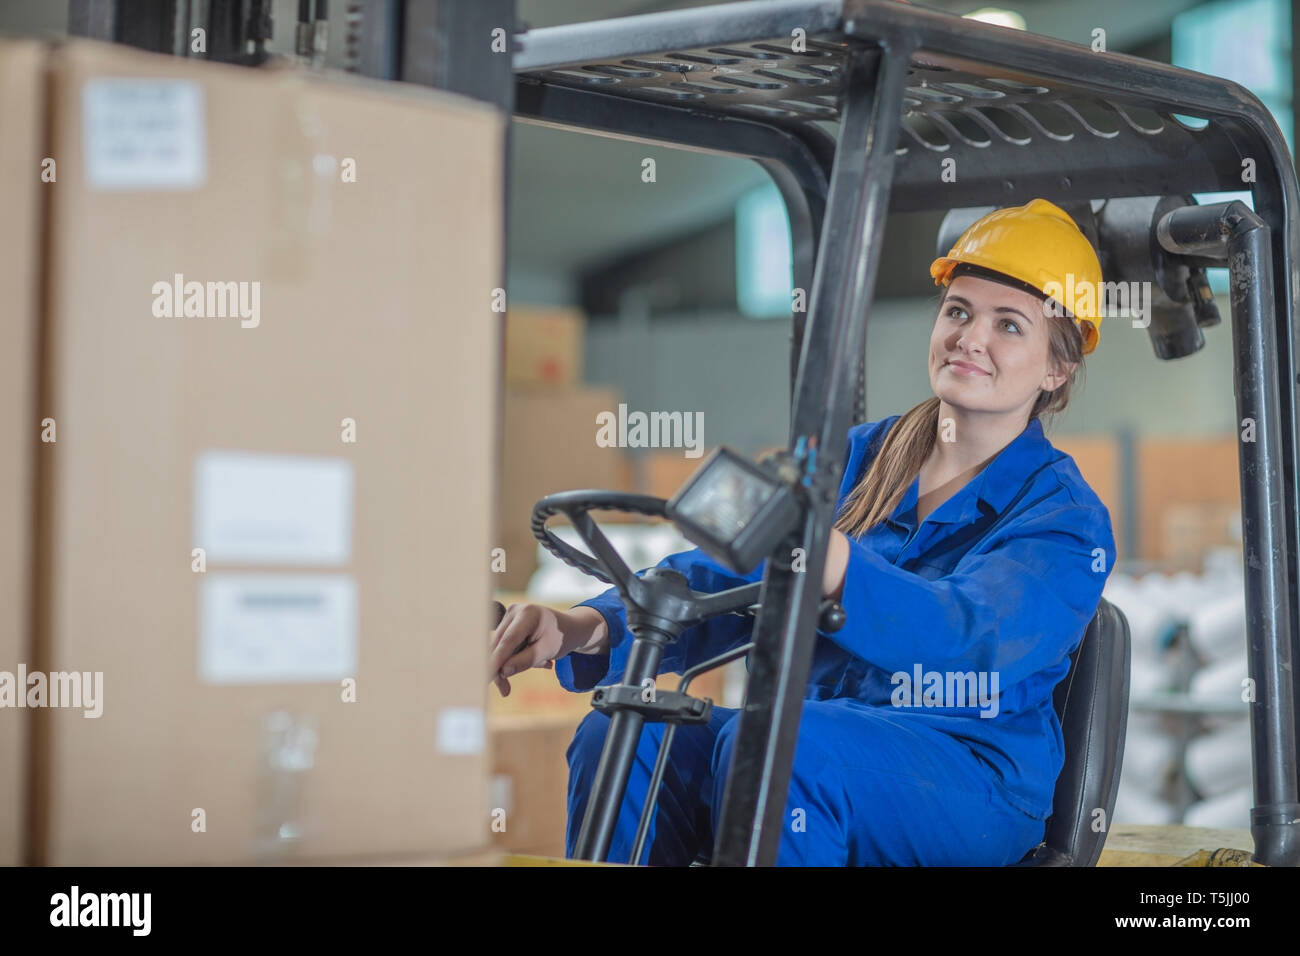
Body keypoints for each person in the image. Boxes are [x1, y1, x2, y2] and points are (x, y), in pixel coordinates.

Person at [488, 198, 1118, 866]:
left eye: (1009, 325)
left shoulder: (1065, 519)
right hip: (824, 742)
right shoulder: (863, 456)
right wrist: (589, 627)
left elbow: (972, 638)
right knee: (626, 733)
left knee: (785, 748)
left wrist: (839, 566)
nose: (969, 337)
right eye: (958, 310)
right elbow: (729, 573)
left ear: (1056, 368)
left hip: (966, 773)